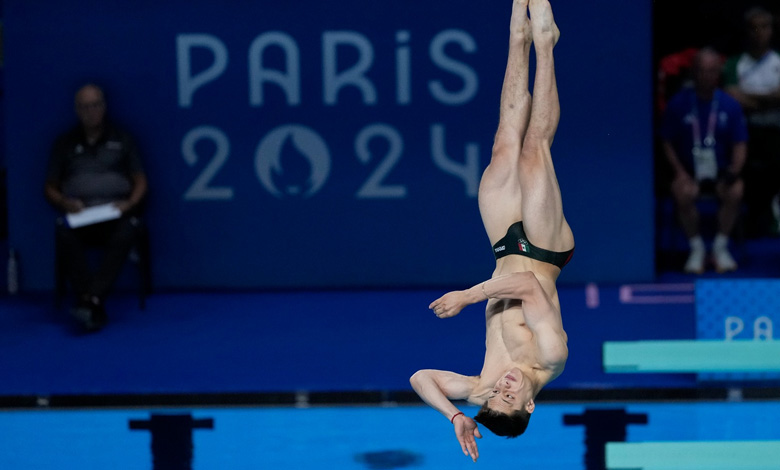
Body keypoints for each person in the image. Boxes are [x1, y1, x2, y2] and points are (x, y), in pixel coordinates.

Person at [409, 0, 574, 461]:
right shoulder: (550, 357)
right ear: (530, 404)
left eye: (495, 397)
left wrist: (456, 415)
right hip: (543, 252)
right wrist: (467, 296)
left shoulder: (480, 390)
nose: (502, 387)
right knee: (533, 149)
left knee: (504, 141)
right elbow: (527, 287)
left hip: (503, 247)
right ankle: (546, 43)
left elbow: (420, 377)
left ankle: (516, 39)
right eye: (510, 396)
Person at [44, 83, 148, 331]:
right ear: (77, 110)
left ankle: (90, 300)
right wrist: (64, 203)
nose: (91, 111)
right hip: (81, 214)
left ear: (104, 106)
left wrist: (130, 203)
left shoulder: (123, 138)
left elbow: (141, 181)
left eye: (96, 105)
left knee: (128, 229)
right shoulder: (65, 143)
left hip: (116, 213)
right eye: (85, 107)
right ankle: (93, 300)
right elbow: (49, 186)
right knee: (63, 231)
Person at [660, 48, 748, 274]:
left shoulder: (730, 105)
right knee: (682, 192)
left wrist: (734, 171)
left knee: (736, 191)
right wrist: (679, 172)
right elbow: (667, 141)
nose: (707, 76)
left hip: (721, 171)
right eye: (702, 71)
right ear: (693, 72)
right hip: (689, 171)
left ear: (718, 72)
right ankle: (696, 248)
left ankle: (720, 247)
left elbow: (740, 144)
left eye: (712, 71)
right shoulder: (678, 104)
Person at [724, 6, 780, 237]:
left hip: (776, 131)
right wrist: (768, 98)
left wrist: (750, 97)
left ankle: (773, 215)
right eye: (754, 27)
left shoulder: (778, 61)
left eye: (765, 27)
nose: (760, 32)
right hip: (745, 133)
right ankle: (747, 219)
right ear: (747, 31)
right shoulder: (735, 63)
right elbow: (732, 96)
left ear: (772, 30)